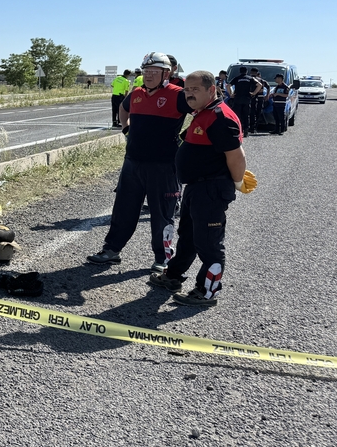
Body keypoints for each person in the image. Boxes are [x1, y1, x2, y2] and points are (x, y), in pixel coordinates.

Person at [148, 70, 254, 306]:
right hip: (196, 188)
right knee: (188, 235)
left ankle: (207, 291)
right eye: (187, 89)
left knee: (208, 243)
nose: (189, 94)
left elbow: (236, 155)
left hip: (211, 189)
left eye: (195, 89)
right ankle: (173, 276)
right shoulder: (204, 112)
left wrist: (238, 181)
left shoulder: (220, 117)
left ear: (211, 90)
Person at [87, 52, 193, 272]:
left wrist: (188, 137)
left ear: (166, 73)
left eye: (154, 71)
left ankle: (163, 258)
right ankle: (111, 250)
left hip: (163, 166)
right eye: (146, 71)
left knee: (162, 214)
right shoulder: (136, 93)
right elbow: (123, 108)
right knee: (123, 209)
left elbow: (203, 112)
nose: (148, 75)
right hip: (132, 163)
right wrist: (126, 128)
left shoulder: (178, 95)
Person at [228, 66, 258, 137]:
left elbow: (228, 85)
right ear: (246, 71)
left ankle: (238, 130)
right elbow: (259, 85)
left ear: (240, 71)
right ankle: (246, 131)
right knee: (246, 115)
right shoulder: (250, 78)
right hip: (247, 99)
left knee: (237, 115)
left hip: (237, 99)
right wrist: (254, 93)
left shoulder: (237, 78)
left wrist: (231, 94)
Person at [250, 68, 270, 134]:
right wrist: (267, 95)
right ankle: (255, 127)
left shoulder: (250, 79)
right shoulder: (261, 80)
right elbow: (268, 86)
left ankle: (252, 127)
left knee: (252, 113)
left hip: (252, 98)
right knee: (258, 113)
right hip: (259, 98)